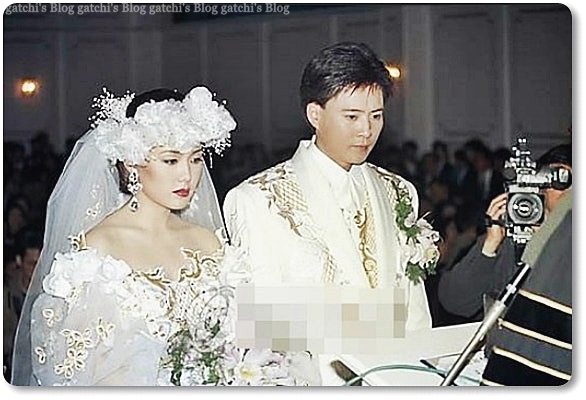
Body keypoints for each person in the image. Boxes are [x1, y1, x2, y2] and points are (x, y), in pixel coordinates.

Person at [11, 86, 318, 386]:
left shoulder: (209, 243)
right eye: (171, 160)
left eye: (195, 159)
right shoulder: (98, 251)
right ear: (132, 162)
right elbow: (73, 368)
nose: (187, 174)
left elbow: (249, 337)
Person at [224, 42, 438, 332]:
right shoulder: (258, 199)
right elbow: (262, 324)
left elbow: (416, 313)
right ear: (315, 114)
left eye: (376, 116)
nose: (366, 130)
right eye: (352, 117)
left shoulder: (399, 190)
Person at [438, 143, 572, 322]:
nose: (569, 192)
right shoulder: (511, 238)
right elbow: (455, 301)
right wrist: (490, 246)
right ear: (539, 185)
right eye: (560, 180)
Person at [481, 184, 571, 385]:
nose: (565, 193)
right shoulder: (506, 234)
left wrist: (547, 243)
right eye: (556, 182)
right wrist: (490, 246)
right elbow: (454, 302)